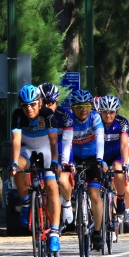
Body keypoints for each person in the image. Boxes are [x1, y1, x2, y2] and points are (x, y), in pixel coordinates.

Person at [8, 84, 62, 252]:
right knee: (18, 167)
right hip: (27, 149)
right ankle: (25, 202)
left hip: (46, 150)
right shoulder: (17, 115)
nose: (28, 109)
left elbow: (53, 141)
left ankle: (54, 233)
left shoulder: (48, 114)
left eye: (32, 104)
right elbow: (16, 140)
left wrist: (55, 161)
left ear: (39, 102)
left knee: (52, 186)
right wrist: (14, 163)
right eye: (25, 105)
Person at [58, 89, 106, 251]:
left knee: (94, 194)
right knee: (64, 182)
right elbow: (66, 141)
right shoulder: (69, 119)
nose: (83, 110)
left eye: (86, 106)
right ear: (72, 108)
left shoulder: (95, 117)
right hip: (75, 158)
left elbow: (100, 139)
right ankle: (67, 208)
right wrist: (65, 162)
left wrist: (99, 159)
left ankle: (97, 232)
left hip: (93, 157)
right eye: (79, 106)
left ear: (91, 107)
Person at [38, 82, 74, 229]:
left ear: (57, 102)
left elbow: (66, 142)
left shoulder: (65, 116)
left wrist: (64, 163)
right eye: (43, 102)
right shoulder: (35, 116)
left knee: (64, 181)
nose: (47, 106)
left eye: (50, 102)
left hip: (61, 151)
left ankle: (66, 203)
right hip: (43, 152)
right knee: (40, 183)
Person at [98, 95, 129, 239]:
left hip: (116, 156)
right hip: (99, 156)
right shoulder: (95, 120)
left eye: (111, 112)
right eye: (105, 112)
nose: (108, 115)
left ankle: (120, 198)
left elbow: (124, 144)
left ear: (116, 112)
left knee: (118, 168)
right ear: (100, 111)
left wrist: (125, 163)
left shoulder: (122, 122)